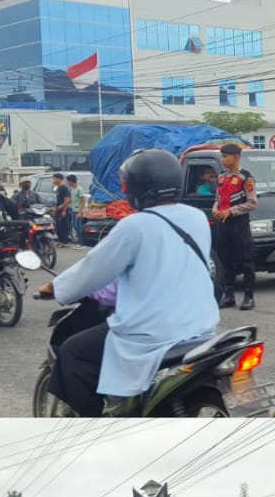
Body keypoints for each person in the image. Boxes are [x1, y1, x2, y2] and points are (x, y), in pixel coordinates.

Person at [40, 148, 218, 417]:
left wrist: (54, 288)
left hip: (153, 333)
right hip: (201, 327)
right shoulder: (196, 218)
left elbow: (92, 270)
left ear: (139, 188)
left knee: (73, 352)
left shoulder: (134, 226)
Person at [213, 143, 258, 311]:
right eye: (222, 156)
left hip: (239, 223)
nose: (223, 160)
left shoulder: (245, 178)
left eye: (225, 156)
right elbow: (217, 199)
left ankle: (249, 297)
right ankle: (229, 295)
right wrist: (216, 209)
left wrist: (231, 212)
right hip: (223, 224)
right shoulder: (221, 178)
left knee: (246, 259)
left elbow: (252, 203)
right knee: (226, 259)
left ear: (236, 157)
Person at [51, 172, 72, 244]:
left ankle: (64, 242)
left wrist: (64, 210)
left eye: (54, 179)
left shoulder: (64, 188)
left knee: (63, 227)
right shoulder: (58, 188)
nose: (53, 180)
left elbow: (68, 200)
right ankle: (61, 241)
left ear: (59, 179)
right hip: (58, 210)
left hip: (63, 210)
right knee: (58, 227)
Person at [67, 174, 85, 244]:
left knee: (78, 226)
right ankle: (79, 240)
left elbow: (83, 200)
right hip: (73, 210)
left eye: (68, 182)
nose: (68, 183)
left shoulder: (79, 189)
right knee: (74, 226)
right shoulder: (72, 189)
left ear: (71, 181)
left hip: (78, 210)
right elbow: (72, 199)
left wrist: (80, 212)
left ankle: (81, 242)